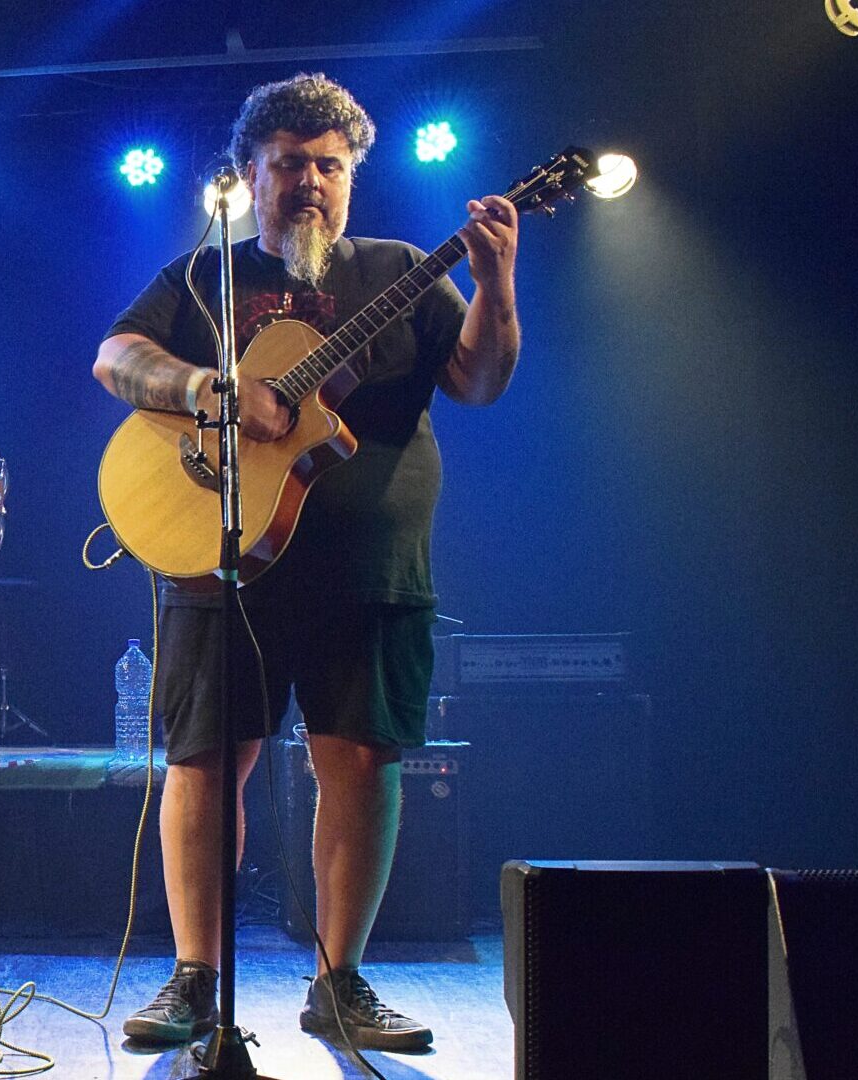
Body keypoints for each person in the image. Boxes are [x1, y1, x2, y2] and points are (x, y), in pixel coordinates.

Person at [92, 73, 521, 1051]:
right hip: (221, 555)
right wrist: (211, 389)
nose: (311, 183)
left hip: (370, 565)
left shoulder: (401, 270)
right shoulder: (205, 279)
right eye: (289, 164)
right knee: (205, 761)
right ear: (251, 174)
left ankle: (340, 981)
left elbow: (481, 380)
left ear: (352, 175)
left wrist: (496, 281)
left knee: (361, 763)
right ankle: (196, 978)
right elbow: (116, 358)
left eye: (330, 165)